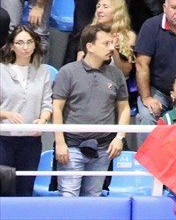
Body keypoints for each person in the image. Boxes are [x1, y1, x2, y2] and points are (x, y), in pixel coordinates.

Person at [52, 24, 131, 197]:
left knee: (94, 199)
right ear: (90, 47)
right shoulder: (68, 72)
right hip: (71, 146)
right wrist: (60, 142)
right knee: (68, 198)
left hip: (103, 148)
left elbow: (124, 109)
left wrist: (120, 137)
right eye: (106, 43)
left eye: (112, 43)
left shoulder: (116, 75)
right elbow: (57, 108)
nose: (111, 48)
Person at [0, 25, 54, 196]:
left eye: (29, 42)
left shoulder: (43, 72)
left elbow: (47, 104)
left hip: (31, 140)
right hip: (4, 139)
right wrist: (6, 114)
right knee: (5, 189)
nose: (25, 47)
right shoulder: (1, 70)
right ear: (11, 46)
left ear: (35, 44)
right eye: (20, 42)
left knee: (25, 189)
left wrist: (43, 120)